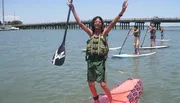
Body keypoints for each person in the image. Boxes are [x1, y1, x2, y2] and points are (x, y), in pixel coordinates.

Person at [67, 0, 128, 103]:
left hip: (100, 61)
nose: (97, 23)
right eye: (96, 21)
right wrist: (73, 9)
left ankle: (110, 100)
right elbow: (80, 23)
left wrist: (122, 11)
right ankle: (96, 101)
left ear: (101, 24)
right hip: (90, 60)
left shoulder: (104, 34)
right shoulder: (90, 33)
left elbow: (113, 23)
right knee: (91, 83)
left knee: (103, 84)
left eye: (99, 22)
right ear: (93, 23)